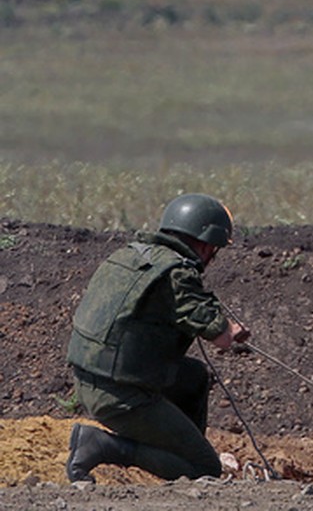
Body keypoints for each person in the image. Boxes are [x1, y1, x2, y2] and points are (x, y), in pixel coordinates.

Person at [65, 193, 250, 483]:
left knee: (194, 377)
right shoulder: (176, 274)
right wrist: (233, 330)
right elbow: (222, 337)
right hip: (120, 395)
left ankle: (177, 453)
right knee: (206, 469)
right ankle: (102, 445)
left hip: (92, 378)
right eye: (213, 249)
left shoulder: (130, 255)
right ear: (203, 245)